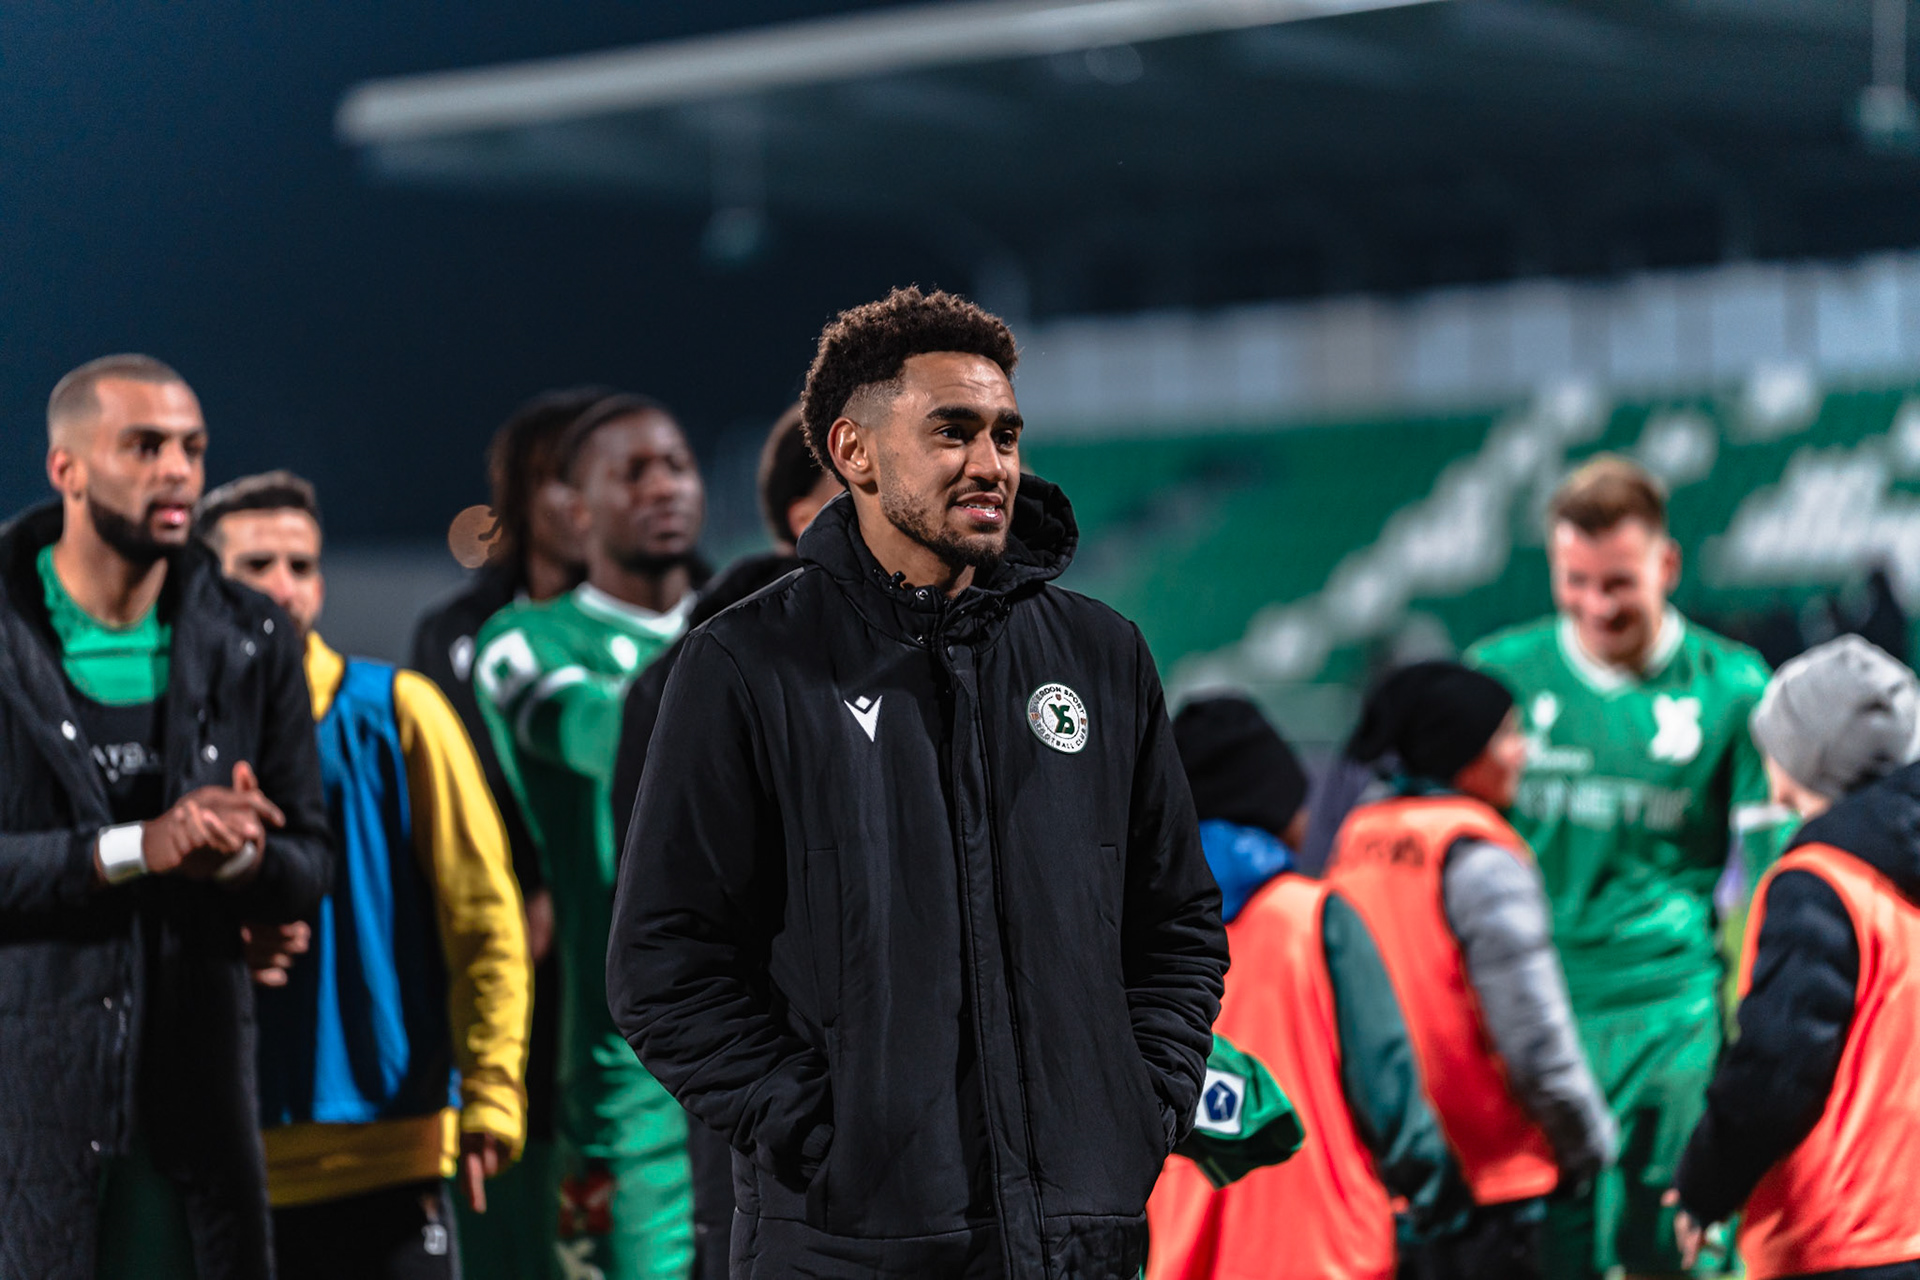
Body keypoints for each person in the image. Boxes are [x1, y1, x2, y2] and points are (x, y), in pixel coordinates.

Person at [609, 286, 1229, 1278]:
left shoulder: (1103, 654)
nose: (993, 464)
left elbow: (1177, 922)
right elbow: (662, 961)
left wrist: (1136, 1103)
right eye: (953, 432)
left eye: (1007, 434)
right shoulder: (745, 665)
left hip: (1081, 1238)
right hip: (850, 1244)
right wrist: (818, 1129)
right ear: (855, 453)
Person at [0, 354, 331, 1280]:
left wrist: (240, 859)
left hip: (200, 1106)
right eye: (143, 446)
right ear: (66, 468)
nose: (178, 469)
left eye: (191, 447)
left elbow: (308, 858)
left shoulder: (252, 633)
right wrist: (136, 848)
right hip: (31, 1117)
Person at [196, 471, 532, 1280]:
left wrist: (491, 1089)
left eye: (302, 565)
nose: (285, 587)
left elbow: (484, 916)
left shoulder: (401, 711)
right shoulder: (172, 735)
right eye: (257, 566)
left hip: (393, 1147)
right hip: (222, 1157)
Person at [1467, 455, 1777, 1279]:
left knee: (1681, 1240)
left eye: (1618, 583)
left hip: (1671, 1015)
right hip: (1534, 1016)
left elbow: (1778, 871)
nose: (1596, 605)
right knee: (1550, 1250)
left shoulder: (1736, 687)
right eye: (1575, 581)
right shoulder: (1498, 675)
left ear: (1666, 566)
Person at [474, 392, 705, 1280]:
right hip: (625, 1077)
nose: (663, 487)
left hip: (779, 1052)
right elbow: (599, 733)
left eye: (677, 465)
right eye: (632, 472)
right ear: (574, 508)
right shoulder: (525, 644)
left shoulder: (756, 627)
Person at [606, 403, 840, 1280]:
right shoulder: (691, 683)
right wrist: (798, 1112)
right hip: (773, 1156)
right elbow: (666, 952)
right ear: (798, 515)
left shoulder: (953, 663)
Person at [1145, 693, 1465, 1280]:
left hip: (1183, 1253)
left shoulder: (1135, 933)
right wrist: (1439, 1193)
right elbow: (1387, 1088)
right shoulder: (1314, 918)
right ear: (1271, 807)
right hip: (1327, 1252)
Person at [1323, 663, 1616, 1280]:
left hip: (1400, 1180)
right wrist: (1589, 1146)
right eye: (1509, 735)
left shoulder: (1356, 837)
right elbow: (1535, 1043)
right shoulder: (1478, 856)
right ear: (1465, 755)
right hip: (1501, 1183)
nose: (1523, 752)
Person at [410, 388, 597, 1280]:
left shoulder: (690, 622)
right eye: (567, 478)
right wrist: (504, 902)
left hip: (624, 980)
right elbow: (443, 806)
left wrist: (567, 890)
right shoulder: (456, 633)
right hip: (493, 985)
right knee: (504, 1233)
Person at [1669, 636, 1920, 1280]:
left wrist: (1705, 1186)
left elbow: (1777, 1074)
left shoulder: (1820, 880)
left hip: (1839, 1236)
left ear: (1808, 758)